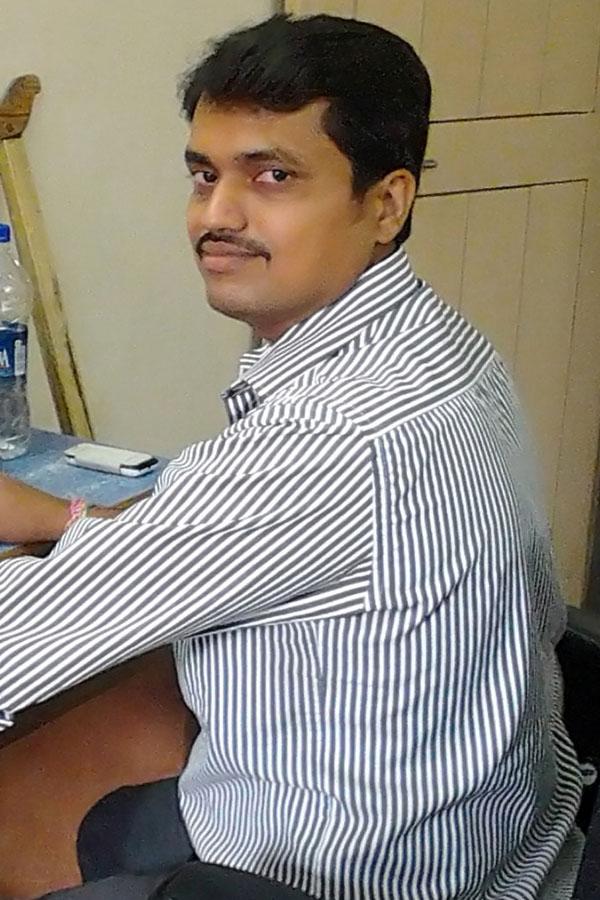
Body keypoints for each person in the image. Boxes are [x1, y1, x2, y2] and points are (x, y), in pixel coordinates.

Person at [0, 12, 584, 900]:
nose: (216, 216)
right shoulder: (440, 349)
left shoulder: (330, 434)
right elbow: (229, 534)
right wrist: (68, 518)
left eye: (272, 176)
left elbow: (20, 640)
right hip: (495, 836)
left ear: (386, 203)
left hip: (334, 873)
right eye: (205, 174)